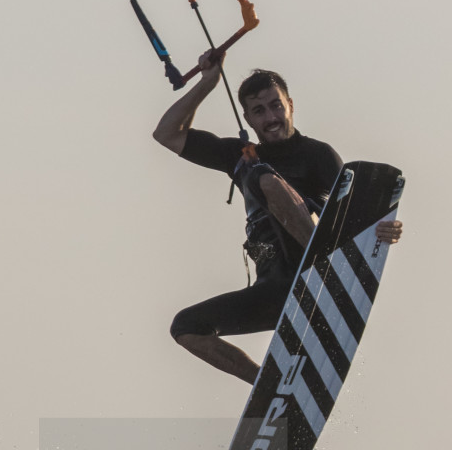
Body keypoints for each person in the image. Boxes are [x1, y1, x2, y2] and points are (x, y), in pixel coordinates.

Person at [153, 54, 403, 384]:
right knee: (185, 328)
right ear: (248, 119)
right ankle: (268, 384)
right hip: (275, 290)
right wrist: (208, 82)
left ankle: (323, 264)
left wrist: (380, 229)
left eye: (276, 106)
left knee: (264, 178)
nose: (271, 117)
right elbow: (166, 134)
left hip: (314, 269)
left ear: (290, 105)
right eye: (259, 111)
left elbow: (351, 212)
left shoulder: (318, 154)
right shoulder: (238, 156)